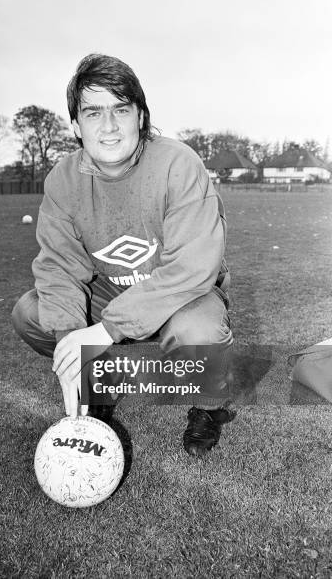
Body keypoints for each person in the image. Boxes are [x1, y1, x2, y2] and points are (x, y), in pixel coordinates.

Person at [12, 53, 236, 456]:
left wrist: (106, 331)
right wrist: (72, 346)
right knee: (30, 312)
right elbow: (61, 267)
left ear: (141, 117)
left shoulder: (178, 164)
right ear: (77, 125)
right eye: (94, 112)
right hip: (111, 295)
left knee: (198, 334)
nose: (110, 126)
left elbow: (192, 268)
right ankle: (101, 379)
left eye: (121, 109)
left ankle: (208, 408)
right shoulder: (63, 180)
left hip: (181, 297)